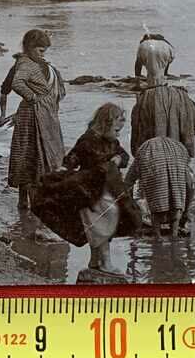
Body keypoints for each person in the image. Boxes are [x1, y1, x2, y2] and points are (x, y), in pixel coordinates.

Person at [34, 103, 145, 273]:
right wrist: (61, 173)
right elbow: (72, 158)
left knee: (102, 224)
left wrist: (118, 159)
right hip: (90, 190)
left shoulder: (111, 140)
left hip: (107, 188)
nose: (118, 133)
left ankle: (94, 261)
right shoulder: (88, 139)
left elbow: (124, 155)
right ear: (106, 123)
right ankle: (106, 263)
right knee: (102, 225)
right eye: (117, 129)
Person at [7, 29, 66, 209]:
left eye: (44, 52)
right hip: (32, 116)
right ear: (30, 48)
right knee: (31, 155)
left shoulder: (31, 63)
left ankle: (26, 201)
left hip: (38, 114)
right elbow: (16, 83)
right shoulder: (27, 64)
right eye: (40, 51)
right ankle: (29, 201)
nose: (42, 55)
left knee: (29, 155)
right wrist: (32, 97)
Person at [130, 34, 195, 155]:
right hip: (167, 51)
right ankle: (160, 81)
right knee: (159, 72)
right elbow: (166, 63)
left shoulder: (143, 44)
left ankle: (153, 83)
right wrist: (165, 73)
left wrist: (137, 79)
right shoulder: (166, 44)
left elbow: (138, 64)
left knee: (152, 75)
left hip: (148, 54)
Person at [127, 136, 195, 238]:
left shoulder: (145, 149)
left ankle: (158, 237)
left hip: (152, 157)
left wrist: (131, 208)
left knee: (158, 206)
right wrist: (186, 211)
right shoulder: (180, 149)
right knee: (176, 204)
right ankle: (173, 236)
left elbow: (129, 181)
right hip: (166, 155)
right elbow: (190, 185)